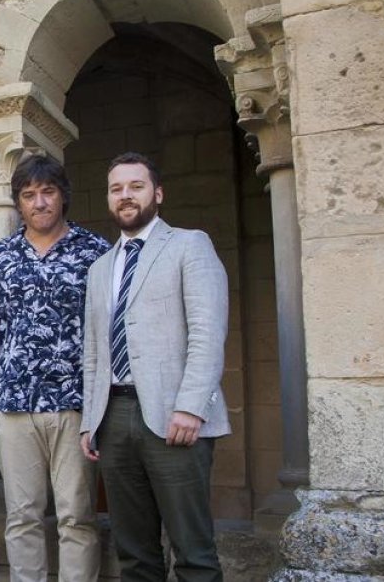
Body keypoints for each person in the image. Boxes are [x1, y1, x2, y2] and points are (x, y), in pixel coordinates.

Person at [80, 152, 230, 581]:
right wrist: (92, 420)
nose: (125, 196)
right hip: (115, 418)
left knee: (193, 553)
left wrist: (191, 406)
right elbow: (93, 353)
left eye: (136, 186)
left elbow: (207, 332)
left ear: (157, 193)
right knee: (134, 554)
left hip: (175, 416)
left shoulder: (189, 245)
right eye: (116, 188)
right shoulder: (99, 269)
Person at [0, 154, 109, 581]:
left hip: (75, 404)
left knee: (76, 516)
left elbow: (110, 324)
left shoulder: (95, 252)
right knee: (22, 515)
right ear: (18, 203)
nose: (39, 203)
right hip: (14, 404)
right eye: (28, 195)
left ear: (63, 196)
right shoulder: (1, 257)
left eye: (47, 192)